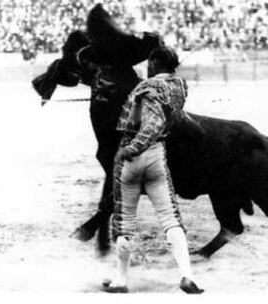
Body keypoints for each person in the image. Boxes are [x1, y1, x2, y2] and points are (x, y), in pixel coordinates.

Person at [103, 46, 204, 294]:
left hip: (133, 155)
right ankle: (187, 276)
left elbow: (152, 122)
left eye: (150, 62)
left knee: (125, 220)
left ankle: (120, 280)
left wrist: (132, 148)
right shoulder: (180, 86)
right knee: (171, 218)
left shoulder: (146, 87)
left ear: (157, 63)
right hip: (158, 157)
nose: (147, 66)